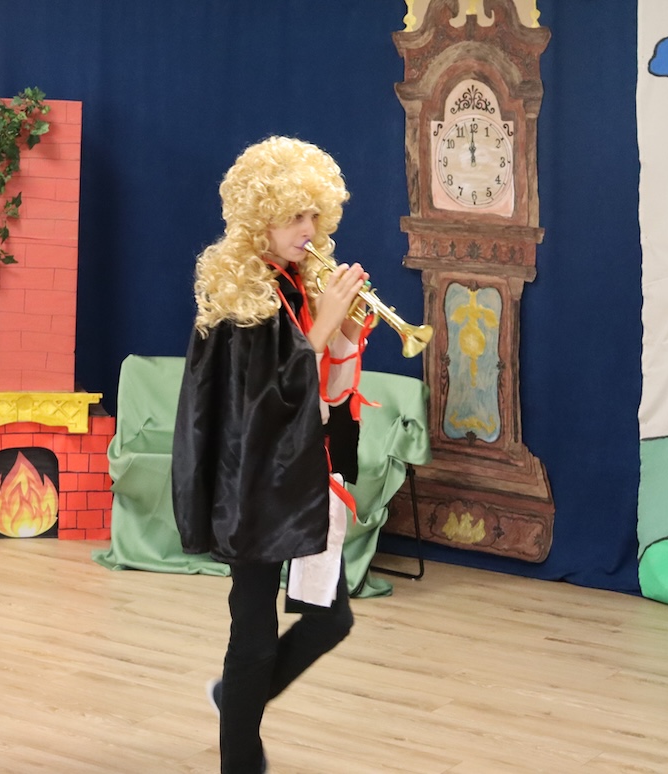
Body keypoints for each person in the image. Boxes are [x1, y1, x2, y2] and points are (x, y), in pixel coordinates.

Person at [172, 136, 373, 774]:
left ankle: (236, 700)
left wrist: (343, 333)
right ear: (260, 219)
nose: (308, 230)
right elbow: (260, 408)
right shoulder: (242, 300)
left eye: (314, 215)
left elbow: (325, 398)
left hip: (302, 480)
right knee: (254, 637)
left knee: (330, 620)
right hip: (252, 487)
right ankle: (240, 754)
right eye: (293, 217)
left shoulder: (294, 285)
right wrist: (322, 327)